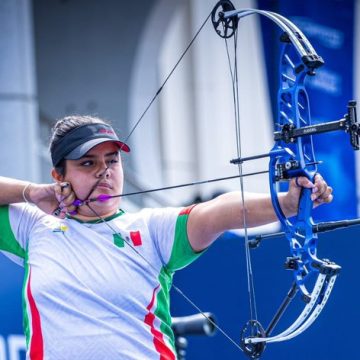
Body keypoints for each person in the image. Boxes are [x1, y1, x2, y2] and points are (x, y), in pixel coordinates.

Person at [0, 115, 333, 360]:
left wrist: (286, 203)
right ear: (58, 175)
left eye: (112, 161)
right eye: (88, 163)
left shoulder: (150, 229)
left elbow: (220, 210)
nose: (105, 171)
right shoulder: (33, 229)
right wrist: (32, 193)